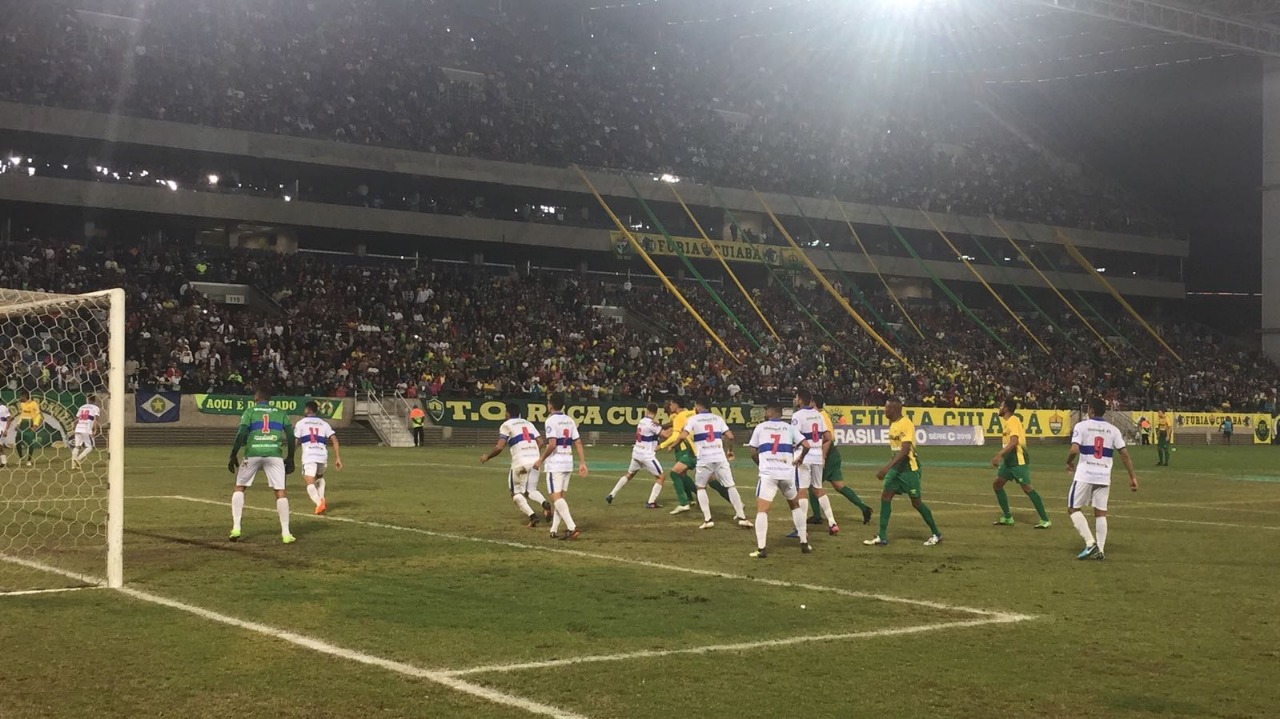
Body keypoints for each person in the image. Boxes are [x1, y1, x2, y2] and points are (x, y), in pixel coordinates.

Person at [1065, 397, 1138, 561]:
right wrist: (1132, 476)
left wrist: (1069, 463)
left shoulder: (1081, 426)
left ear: (1090, 410)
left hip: (1085, 474)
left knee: (1073, 508)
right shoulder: (1113, 430)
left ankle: (1090, 543)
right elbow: (1124, 454)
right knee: (1100, 513)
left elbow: (1074, 450)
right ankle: (1101, 549)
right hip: (1104, 475)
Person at [864, 398, 942, 547]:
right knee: (885, 497)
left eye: (886, 408)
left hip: (908, 469)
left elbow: (905, 450)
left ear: (893, 409)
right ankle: (882, 536)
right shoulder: (893, 424)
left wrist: (886, 467)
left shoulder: (906, 424)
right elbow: (896, 449)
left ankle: (936, 534)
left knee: (916, 503)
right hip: (896, 469)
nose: (884, 411)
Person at [227, 384, 297, 543]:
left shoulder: (250, 411)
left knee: (240, 487)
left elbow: (241, 433)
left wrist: (233, 455)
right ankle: (286, 534)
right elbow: (291, 436)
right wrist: (291, 457)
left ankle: (236, 528)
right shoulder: (280, 413)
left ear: (256, 398)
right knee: (280, 491)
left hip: (253, 453)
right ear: (270, 399)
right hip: (274, 454)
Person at [748, 402, 814, 558]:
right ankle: (804, 542)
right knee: (795, 505)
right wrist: (800, 458)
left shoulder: (761, 427)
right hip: (786, 473)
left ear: (771, 412)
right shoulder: (789, 428)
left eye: (766, 410)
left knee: (762, 510)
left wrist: (761, 464)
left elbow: (752, 451)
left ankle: (761, 548)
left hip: (768, 474)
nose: (765, 413)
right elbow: (806, 445)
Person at [675, 397, 751, 530]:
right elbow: (731, 436)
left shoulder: (693, 419)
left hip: (704, 458)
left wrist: (673, 445)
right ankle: (742, 517)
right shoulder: (718, 419)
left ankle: (708, 519)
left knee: (701, 488)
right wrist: (730, 450)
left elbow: (682, 436)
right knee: (730, 486)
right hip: (719, 456)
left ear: (698, 407)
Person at [481, 401, 551, 528]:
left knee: (516, 493)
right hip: (535, 461)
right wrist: (533, 453)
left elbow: (500, 447)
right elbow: (540, 441)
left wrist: (488, 456)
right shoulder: (528, 423)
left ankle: (532, 516)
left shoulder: (506, 425)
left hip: (520, 463)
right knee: (531, 490)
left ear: (508, 413)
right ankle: (544, 503)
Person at [532, 394, 587, 540]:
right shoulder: (570, 420)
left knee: (556, 498)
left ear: (550, 405)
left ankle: (571, 527)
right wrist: (582, 463)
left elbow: (552, 444)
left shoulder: (550, 421)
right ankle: (554, 529)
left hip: (555, 463)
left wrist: (540, 460)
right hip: (568, 461)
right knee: (560, 498)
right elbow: (578, 443)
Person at [991, 399, 1051, 529]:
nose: (999, 407)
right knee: (997, 484)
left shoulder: (1013, 420)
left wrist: (999, 454)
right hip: (1008, 462)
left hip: (1018, 460)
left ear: (1006, 408)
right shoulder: (1008, 422)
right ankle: (1007, 517)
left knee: (1027, 488)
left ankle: (1045, 519)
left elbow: (1014, 441)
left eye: (1001, 405)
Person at [814, 396, 872, 525]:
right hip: (833, 454)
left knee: (814, 485)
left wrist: (823, 456)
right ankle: (864, 508)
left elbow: (829, 437)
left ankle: (817, 516)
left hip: (828, 454)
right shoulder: (821, 415)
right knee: (839, 485)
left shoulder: (821, 416)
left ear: (814, 403)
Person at [792, 389, 839, 535]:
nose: (795, 400)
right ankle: (832, 522)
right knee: (818, 489)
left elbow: (794, 436)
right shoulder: (818, 415)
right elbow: (828, 436)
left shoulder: (797, 416)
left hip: (804, 456)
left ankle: (801, 528)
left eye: (796, 397)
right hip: (817, 455)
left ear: (800, 400)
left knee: (802, 490)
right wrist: (817, 445)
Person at [606, 403, 665, 508]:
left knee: (629, 474)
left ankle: (611, 494)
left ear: (647, 411)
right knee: (661, 477)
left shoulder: (642, 421)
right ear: (656, 413)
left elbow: (656, 428)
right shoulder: (652, 424)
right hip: (646, 455)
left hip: (636, 452)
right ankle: (651, 502)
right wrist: (677, 428)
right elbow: (665, 434)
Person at [294, 401, 342, 515]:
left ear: (308, 410)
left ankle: (319, 502)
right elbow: (334, 439)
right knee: (319, 477)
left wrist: (291, 454)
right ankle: (322, 498)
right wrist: (337, 458)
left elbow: (296, 440)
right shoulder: (323, 423)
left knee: (309, 481)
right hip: (322, 455)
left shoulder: (301, 423)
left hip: (309, 455)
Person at [70, 394, 102, 470]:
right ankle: (78, 459)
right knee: (90, 447)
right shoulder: (96, 408)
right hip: (86, 429)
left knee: (77, 446)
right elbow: (95, 420)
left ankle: (73, 465)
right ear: (94, 400)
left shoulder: (82, 407)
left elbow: (76, 418)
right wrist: (95, 430)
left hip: (78, 428)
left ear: (87, 399)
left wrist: (74, 427)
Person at [15, 390, 41, 468]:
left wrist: (35, 425)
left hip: (30, 424)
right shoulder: (22, 404)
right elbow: (22, 415)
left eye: (21, 397)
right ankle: (21, 458)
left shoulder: (34, 404)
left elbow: (38, 415)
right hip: (22, 424)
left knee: (30, 443)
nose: (20, 398)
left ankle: (29, 460)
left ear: (25, 397)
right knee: (17, 442)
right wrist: (18, 424)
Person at [0, 400, 11, 468]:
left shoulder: (3, 408)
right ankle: (4, 462)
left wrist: (6, 430)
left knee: (0, 446)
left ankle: (4, 462)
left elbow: (9, 419)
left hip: (2, 430)